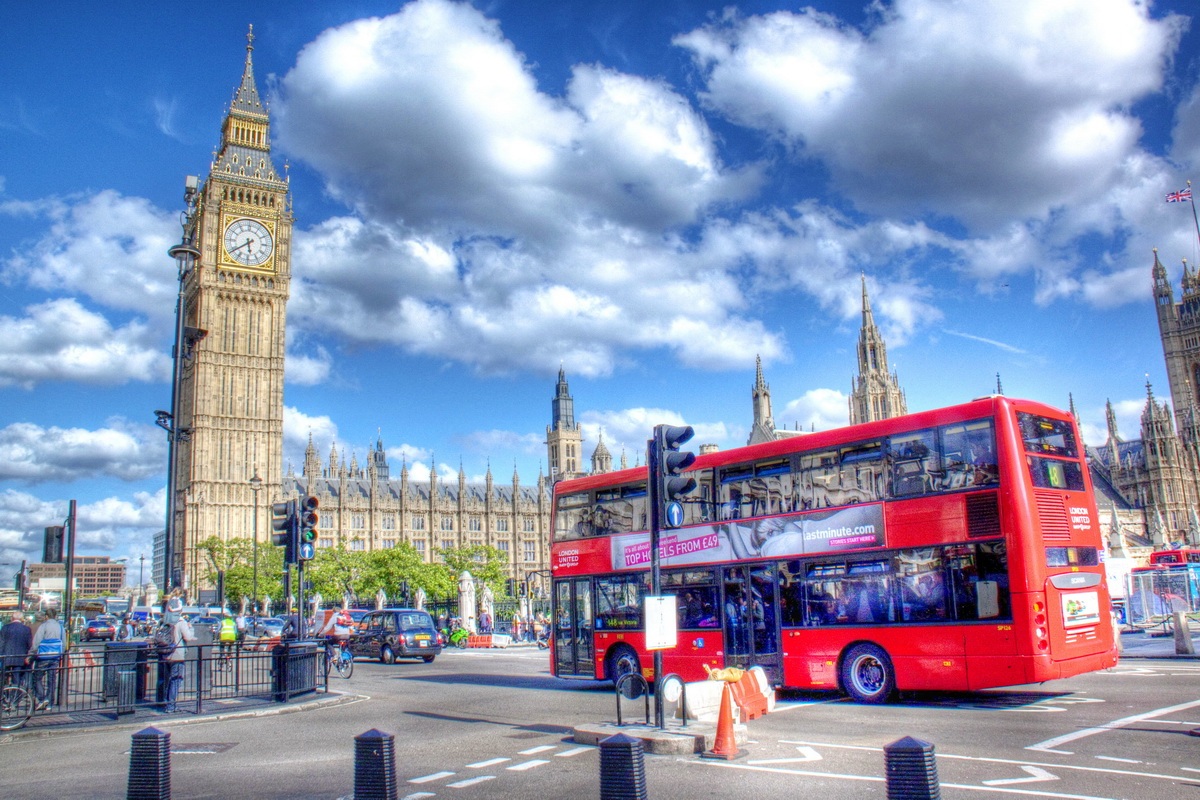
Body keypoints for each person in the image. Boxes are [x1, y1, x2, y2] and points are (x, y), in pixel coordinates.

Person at [28, 608, 64, 711]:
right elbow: (64, 643)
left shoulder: (43, 626)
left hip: (43, 656)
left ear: (46, 616)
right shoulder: (60, 627)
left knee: (36, 677)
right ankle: (50, 703)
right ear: (56, 616)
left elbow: (36, 642)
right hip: (55, 656)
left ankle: (42, 698)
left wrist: (31, 654)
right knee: (51, 680)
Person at [163, 614, 194, 713]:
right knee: (176, 680)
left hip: (165, 653)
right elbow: (188, 637)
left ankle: (165, 703)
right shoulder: (181, 623)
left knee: (167, 680)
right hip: (177, 655)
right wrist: (191, 628)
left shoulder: (165, 621)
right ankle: (171, 706)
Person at [0, 611, 32, 689]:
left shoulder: (5, 628)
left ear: (12, 618)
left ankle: (4, 694)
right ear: (21, 619)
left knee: (4, 677)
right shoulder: (26, 629)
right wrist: (27, 654)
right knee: (16, 677)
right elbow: (29, 644)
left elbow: (1, 643)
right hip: (20, 657)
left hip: (6, 656)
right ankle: (15, 696)